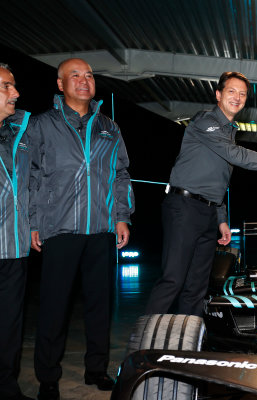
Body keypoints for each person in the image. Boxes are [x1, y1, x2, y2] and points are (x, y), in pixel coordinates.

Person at [144, 71, 257, 317]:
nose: (237, 97)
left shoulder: (229, 130)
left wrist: (221, 218)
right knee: (173, 281)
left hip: (208, 212)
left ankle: (190, 346)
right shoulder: (205, 121)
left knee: (197, 287)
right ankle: (142, 347)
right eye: (231, 91)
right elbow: (238, 157)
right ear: (218, 94)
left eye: (243, 94)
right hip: (184, 207)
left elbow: (219, 179)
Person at [29, 58, 135, 400]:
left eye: (89, 74)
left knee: (99, 306)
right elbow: (30, 176)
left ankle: (96, 369)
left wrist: (122, 216)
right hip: (59, 229)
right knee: (54, 306)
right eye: (74, 75)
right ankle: (48, 376)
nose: (83, 80)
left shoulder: (109, 126)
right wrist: (32, 223)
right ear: (60, 85)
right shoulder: (42, 125)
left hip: (101, 229)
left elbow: (121, 175)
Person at [0, 64, 34, 400]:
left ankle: (7, 387)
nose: (16, 94)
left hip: (14, 249)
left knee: (9, 326)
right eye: (7, 87)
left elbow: (32, 185)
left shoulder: (18, 135)